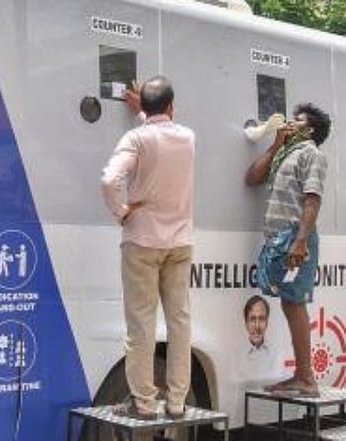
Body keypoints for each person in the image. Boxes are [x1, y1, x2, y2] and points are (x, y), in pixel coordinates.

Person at [101, 76, 195, 419]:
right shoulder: (188, 138)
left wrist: (121, 212)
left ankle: (143, 403)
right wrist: (145, 112)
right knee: (180, 322)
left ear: (144, 105)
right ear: (171, 107)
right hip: (180, 243)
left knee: (141, 324)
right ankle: (176, 402)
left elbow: (110, 180)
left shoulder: (135, 139)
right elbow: (163, 136)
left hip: (142, 241)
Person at [246, 103, 331, 397]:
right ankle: (301, 375)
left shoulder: (312, 154)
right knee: (288, 304)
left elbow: (312, 199)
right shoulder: (284, 153)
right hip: (279, 240)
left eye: (297, 121)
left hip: (295, 240)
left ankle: (306, 378)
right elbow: (251, 178)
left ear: (309, 130)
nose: (289, 124)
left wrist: (301, 241)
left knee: (294, 305)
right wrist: (276, 143)